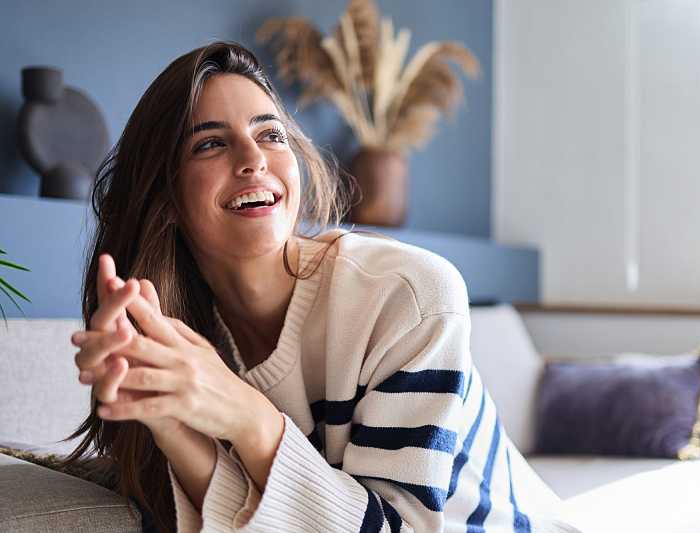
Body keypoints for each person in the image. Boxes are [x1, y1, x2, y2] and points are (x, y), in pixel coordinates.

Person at [62, 41, 577, 533]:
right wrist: (165, 416)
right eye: (211, 143)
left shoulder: (407, 296)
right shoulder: (182, 332)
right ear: (167, 196)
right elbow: (237, 516)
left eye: (271, 135)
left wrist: (246, 414)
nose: (254, 158)